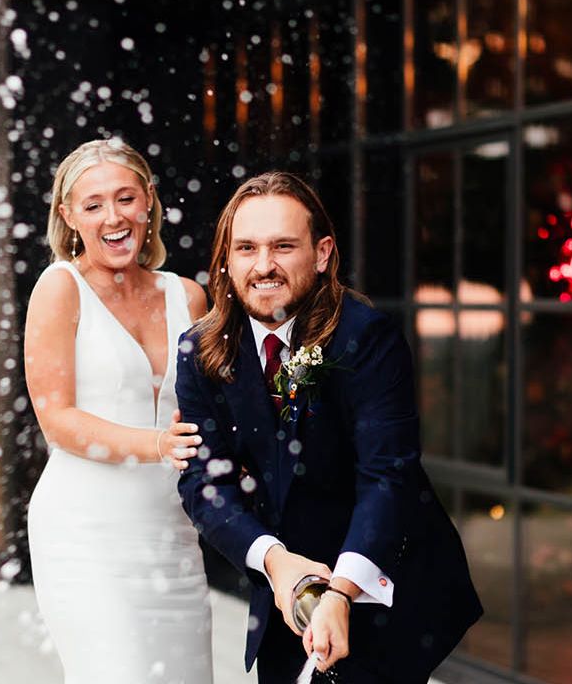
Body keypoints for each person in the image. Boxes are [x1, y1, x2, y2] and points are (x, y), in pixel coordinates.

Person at [176, 171, 482, 684]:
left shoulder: (366, 338)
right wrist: (275, 562)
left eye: (283, 246)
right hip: (283, 591)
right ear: (226, 259)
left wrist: (340, 591)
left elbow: (387, 475)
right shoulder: (202, 352)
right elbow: (205, 484)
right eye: (246, 248)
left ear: (321, 254)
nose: (263, 265)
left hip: (382, 578)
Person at [24, 138, 214, 684]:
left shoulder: (188, 297)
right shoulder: (60, 288)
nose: (114, 217)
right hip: (85, 532)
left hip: (171, 534)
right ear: (68, 216)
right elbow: (57, 420)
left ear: (149, 199)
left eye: (126, 198)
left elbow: (210, 411)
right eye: (94, 205)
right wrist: (156, 444)